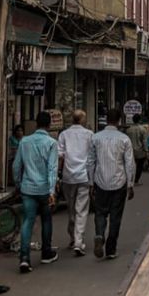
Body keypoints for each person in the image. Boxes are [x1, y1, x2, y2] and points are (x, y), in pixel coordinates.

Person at [13, 110, 58, 274]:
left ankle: (24, 258)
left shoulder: (24, 141)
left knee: (28, 221)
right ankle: (46, 252)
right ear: (49, 125)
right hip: (45, 188)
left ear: (37, 124)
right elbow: (52, 169)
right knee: (46, 219)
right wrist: (52, 191)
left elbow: (16, 166)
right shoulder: (52, 143)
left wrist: (18, 184)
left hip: (27, 188)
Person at [91, 108, 135, 260]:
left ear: (106, 120)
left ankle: (99, 234)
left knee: (100, 213)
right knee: (115, 216)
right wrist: (130, 184)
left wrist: (91, 182)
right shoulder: (124, 139)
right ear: (119, 121)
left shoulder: (95, 138)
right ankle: (110, 248)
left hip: (100, 181)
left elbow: (90, 162)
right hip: (119, 182)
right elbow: (129, 163)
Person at [57, 110, 93, 257]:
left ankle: (73, 238)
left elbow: (60, 156)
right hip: (84, 176)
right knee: (81, 210)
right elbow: (92, 157)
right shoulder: (89, 135)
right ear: (82, 120)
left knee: (71, 209)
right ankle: (78, 242)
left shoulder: (64, 134)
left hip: (68, 176)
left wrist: (58, 174)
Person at [125, 114, 149, 185]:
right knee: (139, 166)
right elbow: (144, 141)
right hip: (140, 151)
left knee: (130, 166)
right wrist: (147, 151)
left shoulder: (128, 130)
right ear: (139, 120)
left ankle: (130, 180)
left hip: (130, 151)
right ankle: (136, 180)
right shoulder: (143, 129)